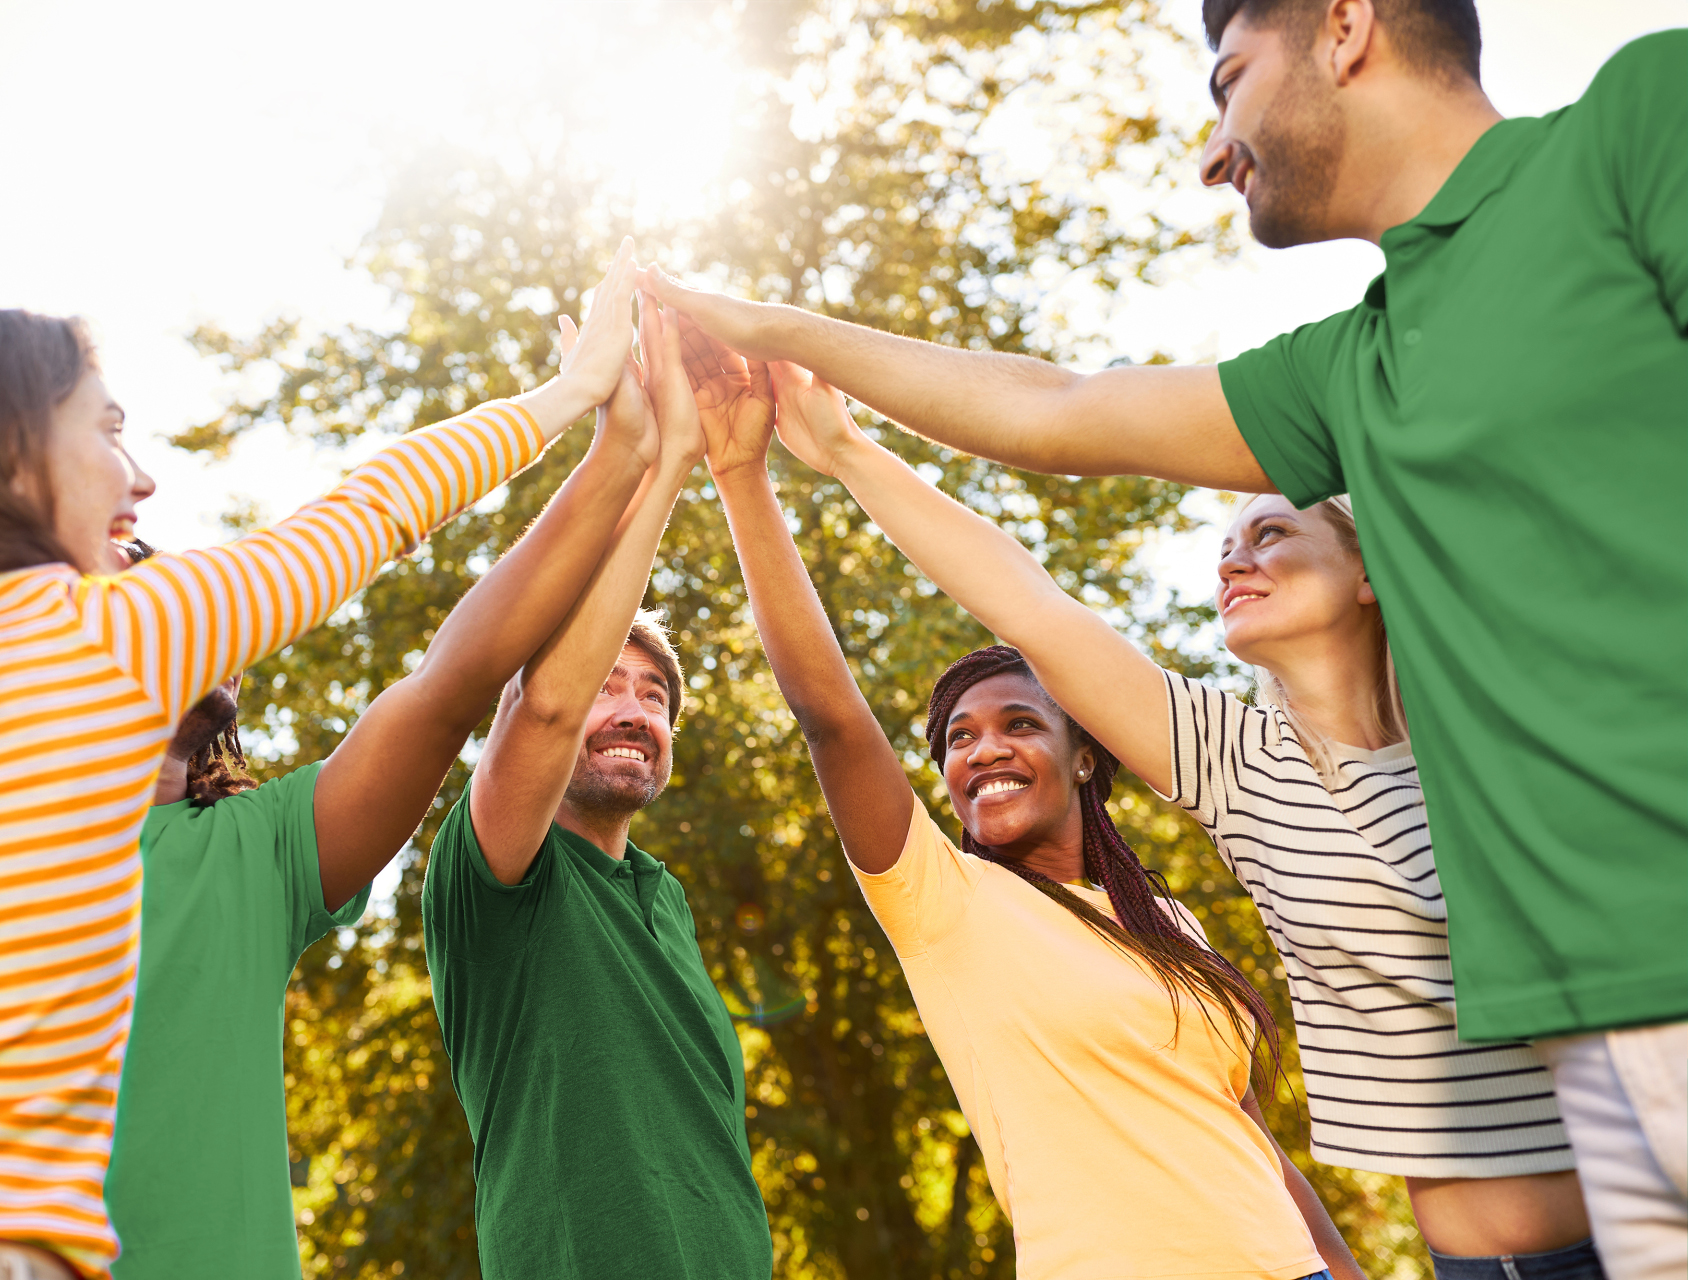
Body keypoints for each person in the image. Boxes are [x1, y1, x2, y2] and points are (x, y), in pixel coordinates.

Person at [643, 7, 1687, 1273]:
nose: (1216, 141)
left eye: (1230, 78)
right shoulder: (1355, 381)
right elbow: (1056, 423)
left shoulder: (1637, 126)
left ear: (1344, 26)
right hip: (1577, 1149)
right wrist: (783, 354)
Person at [0, 245, 639, 1280]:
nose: (139, 478)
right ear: (5, 455)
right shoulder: (108, 635)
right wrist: (577, 390)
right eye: (105, 428)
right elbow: (374, 509)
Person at [742, 338, 1606, 1277]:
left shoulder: (1488, 734)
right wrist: (839, 449)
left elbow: (1243, 1137)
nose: (1234, 559)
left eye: (1270, 533)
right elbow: (1014, 609)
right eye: (1224, 546)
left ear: (1372, 571)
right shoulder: (1240, 769)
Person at [690, 340, 1356, 1279]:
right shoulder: (944, 902)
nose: (983, 749)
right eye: (958, 738)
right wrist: (740, 475)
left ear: (1085, 755)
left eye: (1017, 724)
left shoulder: (1165, 919)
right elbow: (831, 719)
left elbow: (1242, 1132)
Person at [104, 352, 654, 1280]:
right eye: (150, 584)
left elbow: (453, 685)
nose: (201, 612)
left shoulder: (261, 853)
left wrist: (624, 454)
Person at [419, 303, 772, 1279]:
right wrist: (661, 459)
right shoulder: (495, 873)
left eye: (653, 694)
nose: (632, 710)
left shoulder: (667, 901)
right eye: (604, 684)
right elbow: (541, 713)